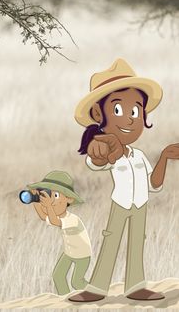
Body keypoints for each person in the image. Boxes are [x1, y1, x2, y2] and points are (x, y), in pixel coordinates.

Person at [69, 58, 179, 302]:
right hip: (120, 205)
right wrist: (98, 147)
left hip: (140, 205)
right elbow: (97, 160)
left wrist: (164, 157)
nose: (130, 119)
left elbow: (154, 185)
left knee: (137, 242)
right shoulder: (108, 148)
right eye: (118, 110)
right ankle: (97, 288)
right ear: (99, 113)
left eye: (136, 111)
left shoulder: (138, 155)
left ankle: (136, 286)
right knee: (112, 242)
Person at [29, 171, 91, 295]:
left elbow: (54, 220)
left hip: (82, 255)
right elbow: (43, 216)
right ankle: (66, 302)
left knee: (77, 282)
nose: (51, 201)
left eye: (55, 196)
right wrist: (35, 201)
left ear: (69, 199)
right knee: (58, 276)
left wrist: (48, 205)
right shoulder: (60, 216)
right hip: (69, 252)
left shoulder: (72, 219)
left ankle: (97, 293)